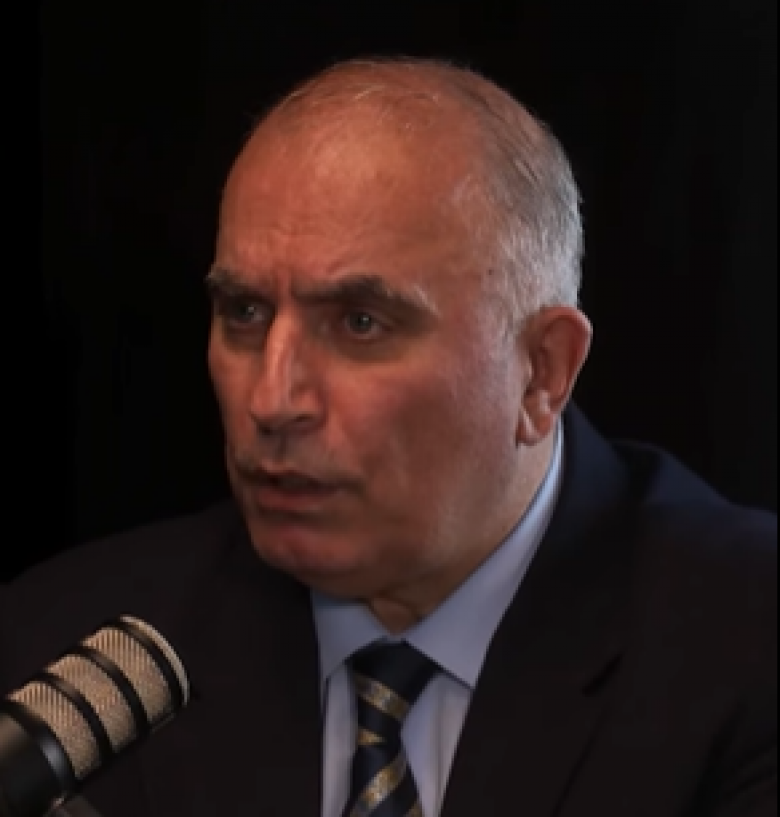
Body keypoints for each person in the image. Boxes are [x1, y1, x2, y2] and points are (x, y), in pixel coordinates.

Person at [1, 58, 776, 817]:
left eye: (361, 323)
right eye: (244, 313)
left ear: (542, 371)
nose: (273, 400)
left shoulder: (746, 645)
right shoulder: (57, 654)